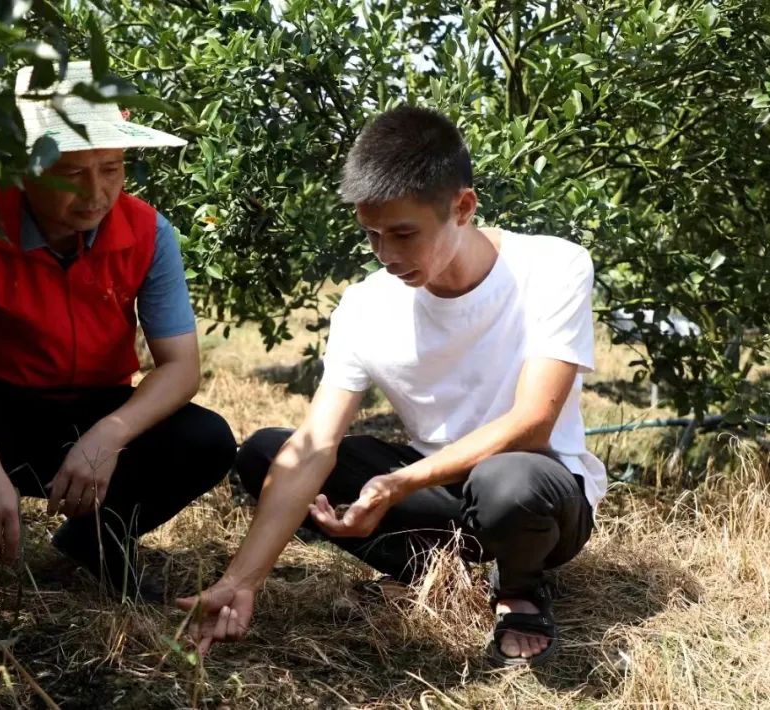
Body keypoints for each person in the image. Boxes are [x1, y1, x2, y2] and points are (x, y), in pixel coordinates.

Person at [178, 106, 605, 666]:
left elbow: (532, 423)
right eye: (373, 235)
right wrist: (242, 579)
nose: (387, 255)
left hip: (538, 491)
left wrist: (396, 484)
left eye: (405, 234)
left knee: (510, 481)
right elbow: (316, 445)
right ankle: (431, 568)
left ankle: (519, 587)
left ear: (463, 207)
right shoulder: (365, 304)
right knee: (267, 454)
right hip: (434, 491)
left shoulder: (553, 266)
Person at [0, 61, 236, 600]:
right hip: (1, 408)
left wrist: (111, 433)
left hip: (95, 407)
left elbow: (180, 366)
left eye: (111, 169)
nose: (97, 193)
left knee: (205, 440)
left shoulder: (150, 233)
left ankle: (96, 539)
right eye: (72, 173)